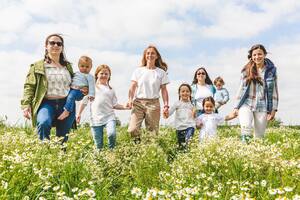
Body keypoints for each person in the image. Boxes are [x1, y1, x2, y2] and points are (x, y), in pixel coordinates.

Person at [21, 33, 87, 143]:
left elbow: (74, 85)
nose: (56, 45)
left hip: (66, 104)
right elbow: (29, 86)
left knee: (62, 138)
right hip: (46, 103)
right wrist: (25, 105)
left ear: (62, 47)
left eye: (59, 43)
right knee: (43, 122)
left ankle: (61, 157)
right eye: (52, 43)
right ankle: (45, 152)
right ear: (46, 46)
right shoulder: (37, 66)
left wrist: (83, 90)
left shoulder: (68, 66)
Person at [233, 44, 279, 143]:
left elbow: (274, 90)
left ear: (264, 55)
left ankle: (256, 155)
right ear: (251, 56)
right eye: (254, 55)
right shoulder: (246, 70)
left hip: (262, 105)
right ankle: (245, 152)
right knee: (246, 128)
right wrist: (236, 107)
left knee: (259, 136)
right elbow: (240, 88)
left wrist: (273, 109)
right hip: (246, 103)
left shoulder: (272, 71)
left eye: (259, 54)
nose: (257, 57)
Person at [76, 64, 129, 149]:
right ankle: (99, 159)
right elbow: (84, 102)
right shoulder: (91, 88)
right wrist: (79, 114)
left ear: (109, 76)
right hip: (95, 119)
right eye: (102, 73)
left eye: (106, 74)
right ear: (97, 75)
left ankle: (111, 152)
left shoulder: (111, 90)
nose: (104, 75)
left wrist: (125, 107)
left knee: (111, 134)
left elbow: (115, 105)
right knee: (98, 144)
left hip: (109, 117)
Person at [127, 45, 169, 143]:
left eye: (152, 53)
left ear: (157, 56)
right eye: (148, 53)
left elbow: (164, 90)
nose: (150, 55)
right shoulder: (138, 71)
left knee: (152, 133)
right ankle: (137, 147)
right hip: (138, 103)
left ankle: (149, 151)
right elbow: (132, 87)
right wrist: (129, 99)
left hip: (153, 104)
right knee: (132, 129)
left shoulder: (161, 72)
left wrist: (166, 105)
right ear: (145, 56)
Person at [58, 56, 95, 120]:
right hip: (72, 89)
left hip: (79, 91)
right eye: (82, 66)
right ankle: (66, 110)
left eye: (87, 67)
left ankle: (67, 111)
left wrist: (91, 95)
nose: (85, 68)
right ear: (78, 65)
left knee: (71, 96)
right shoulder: (76, 73)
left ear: (91, 67)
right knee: (67, 96)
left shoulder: (89, 76)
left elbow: (91, 86)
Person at [164, 83, 196, 149]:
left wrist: (194, 112)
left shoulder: (192, 104)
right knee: (181, 146)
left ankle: (189, 152)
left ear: (190, 93)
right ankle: (184, 156)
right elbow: (169, 113)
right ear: (179, 93)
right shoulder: (177, 103)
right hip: (179, 127)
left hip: (190, 126)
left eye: (187, 91)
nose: (185, 93)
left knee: (188, 141)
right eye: (183, 91)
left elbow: (194, 116)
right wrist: (165, 113)